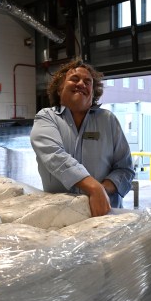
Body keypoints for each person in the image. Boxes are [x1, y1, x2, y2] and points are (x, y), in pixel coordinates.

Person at [30, 58, 135, 217]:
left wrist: (102, 191)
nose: (81, 84)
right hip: (60, 216)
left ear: (93, 93)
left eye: (88, 82)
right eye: (74, 79)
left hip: (104, 214)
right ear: (60, 89)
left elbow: (125, 168)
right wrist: (93, 188)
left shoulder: (108, 120)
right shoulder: (46, 117)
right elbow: (55, 155)